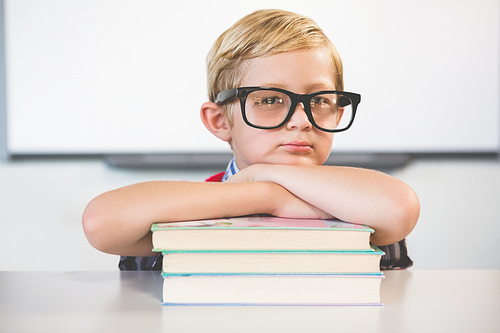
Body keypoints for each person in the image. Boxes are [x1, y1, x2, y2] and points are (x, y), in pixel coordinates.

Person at [82, 9, 419, 271]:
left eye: (319, 101)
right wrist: (268, 196)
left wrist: (263, 175)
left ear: (338, 112)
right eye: (270, 100)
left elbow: (399, 207)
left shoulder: (364, 203)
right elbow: (101, 221)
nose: (302, 120)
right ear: (219, 120)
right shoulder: (190, 205)